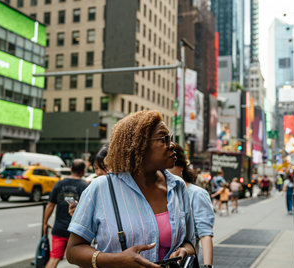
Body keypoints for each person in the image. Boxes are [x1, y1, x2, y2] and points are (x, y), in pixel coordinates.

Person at [66, 110, 195, 267]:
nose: (172, 145)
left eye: (171, 139)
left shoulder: (177, 187)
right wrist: (117, 260)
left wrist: (184, 250)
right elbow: (73, 251)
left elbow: (189, 242)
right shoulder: (100, 188)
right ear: (139, 146)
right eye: (164, 139)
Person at [168, 144, 215, 268]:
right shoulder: (162, 193)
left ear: (182, 167)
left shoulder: (197, 194)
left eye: (171, 167)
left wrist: (207, 265)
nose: (166, 173)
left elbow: (205, 234)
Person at [43, 159, 88, 268]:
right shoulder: (85, 186)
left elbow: (50, 205)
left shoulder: (60, 183)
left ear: (71, 169)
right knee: (82, 261)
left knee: (54, 258)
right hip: (78, 230)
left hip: (59, 229)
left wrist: (45, 223)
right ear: (83, 171)